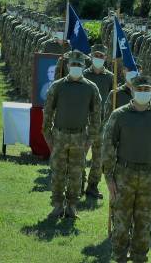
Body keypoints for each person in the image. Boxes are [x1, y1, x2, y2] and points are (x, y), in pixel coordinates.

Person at [101, 75, 151, 263]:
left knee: (144, 224)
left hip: (150, 177)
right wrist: (109, 177)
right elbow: (108, 145)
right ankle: (119, 257)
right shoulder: (119, 115)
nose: (143, 93)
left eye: (147, 89)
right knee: (121, 223)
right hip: (123, 176)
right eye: (140, 89)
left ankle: (139, 258)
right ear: (132, 91)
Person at [43, 51, 101, 219]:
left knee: (76, 174)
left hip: (80, 137)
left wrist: (90, 139)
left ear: (84, 67)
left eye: (79, 65)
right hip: (60, 135)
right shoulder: (58, 86)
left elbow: (96, 116)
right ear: (68, 66)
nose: (76, 67)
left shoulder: (91, 87)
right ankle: (57, 205)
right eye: (73, 64)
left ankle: (72, 207)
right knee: (58, 173)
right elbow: (48, 111)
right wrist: (48, 135)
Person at [83, 44, 114, 199]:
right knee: (80, 155)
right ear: (91, 56)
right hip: (84, 122)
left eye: (101, 56)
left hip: (102, 123)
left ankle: (92, 186)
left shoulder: (110, 78)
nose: (98, 58)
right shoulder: (83, 75)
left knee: (98, 158)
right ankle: (78, 183)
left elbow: (112, 99)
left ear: (106, 58)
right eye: (96, 55)